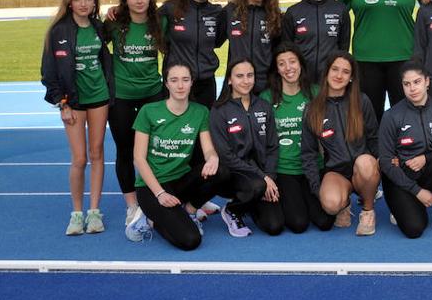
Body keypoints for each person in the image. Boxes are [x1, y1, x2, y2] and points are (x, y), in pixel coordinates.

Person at [40, 0, 114, 236]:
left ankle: (94, 212)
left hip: (99, 98)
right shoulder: (58, 31)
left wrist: (116, 13)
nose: (84, 3)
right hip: (72, 102)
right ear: (69, 2)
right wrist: (62, 103)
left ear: (95, 3)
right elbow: (48, 73)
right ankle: (76, 213)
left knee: (97, 154)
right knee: (79, 159)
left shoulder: (98, 27)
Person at [132, 63, 227, 251]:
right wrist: (160, 194)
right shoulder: (149, 111)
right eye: (174, 80)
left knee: (222, 172)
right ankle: (150, 220)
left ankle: (190, 210)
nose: (180, 85)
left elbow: (208, 149)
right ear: (166, 84)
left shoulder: (200, 112)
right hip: (151, 188)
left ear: (192, 82)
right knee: (191, 240)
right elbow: (139, 158)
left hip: (181, 182)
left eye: (185, 80)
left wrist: (213, 157)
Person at [102, 0, 166, 241]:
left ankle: (157, 196)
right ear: (125, 0)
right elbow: (93, 42)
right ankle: (132, 205)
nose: (139, 1)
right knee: (126, 150)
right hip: (122, 97)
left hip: (153, 94)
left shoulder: (160, 21)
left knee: (156, 149)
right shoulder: (115, 23)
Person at [377, 62, 432, 238]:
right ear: (402, 86)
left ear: (427, 82)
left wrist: (427, 158)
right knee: (414, 229)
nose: (412, 88)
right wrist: (417, 191)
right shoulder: (391, 115)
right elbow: (385, 162)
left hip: (430, 173)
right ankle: (403, 205)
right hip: (402, 178)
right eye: (407, 84)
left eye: (417, 82)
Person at [301, 52, 381, 236]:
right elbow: (308, 153)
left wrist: (381, 166)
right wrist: (317, 188)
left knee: (365, 164)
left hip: (363, 168)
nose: (339, 75)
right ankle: (344, 203)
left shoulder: (362, 101)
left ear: (351, 77)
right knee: (330, 205)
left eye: (345, 72)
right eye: (335, 69)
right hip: (336, 172)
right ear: (326, 72)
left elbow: (374, 139)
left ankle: (368, 211)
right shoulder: (312, 109)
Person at [208, 59, 281, 237]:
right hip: (234, 175)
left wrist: (269, 177)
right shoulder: (219, 111)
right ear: (230, 80)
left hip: (262, 177)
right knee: (256, 186)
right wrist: (263, 178)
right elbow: (226, 156)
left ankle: (250, 203)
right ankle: (232, 210)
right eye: (239, 76)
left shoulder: (264, 106)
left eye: (250, 75)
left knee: (275, 226)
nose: (246, 80)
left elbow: (272, 147)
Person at [262, 44, 327, 233]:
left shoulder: (316, 93)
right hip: (285, 168)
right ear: (277, 69)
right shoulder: (267, 98)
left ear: (301, 64)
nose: (288, 68)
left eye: (292, 61)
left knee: (324, 222)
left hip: (313, 167)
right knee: (299, 224)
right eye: (282, 64)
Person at [160, 0, 227, 107]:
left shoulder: (217, 12)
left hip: (206, 84)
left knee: (204, 128)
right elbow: (144, 20)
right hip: (178, 83)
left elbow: (218, 42)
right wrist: (117, 9)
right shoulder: (170, 9)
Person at [283, 0, 351, 83]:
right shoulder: (293, 12)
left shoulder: (340, 9)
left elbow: (343, 48)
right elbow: (287, 50)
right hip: (302, 80)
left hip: (330, 80)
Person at [225, 0, 283, 93]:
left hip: (265, 84)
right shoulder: (230, 11)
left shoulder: (274, 15)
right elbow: (215, 40)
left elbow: (278, 49)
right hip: (237, 81)